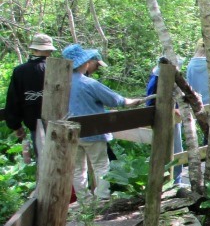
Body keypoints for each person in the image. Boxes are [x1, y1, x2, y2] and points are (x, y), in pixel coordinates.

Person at [64, 44, 143, 202]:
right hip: (93, 131)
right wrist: (133, 102)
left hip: (70, 132)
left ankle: (84, 200)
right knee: (101, 165)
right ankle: (102, 197)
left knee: (77, 169)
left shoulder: (60, 83)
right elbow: (116, 100)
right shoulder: (88, 83)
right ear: (85, 63)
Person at [4, 33, 56, 163]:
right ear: (50, 50)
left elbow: (13, 100)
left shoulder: (20, 71)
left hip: (35, 124)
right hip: (61, 122)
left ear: (33, 49)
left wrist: (16, 125)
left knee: (43, 161)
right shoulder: (57, 68)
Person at [145, 61, 183, 186]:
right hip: (164, 119)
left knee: (176, 150)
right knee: (172, 151)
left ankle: (175, 180)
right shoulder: (156, 79)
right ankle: (171, 182)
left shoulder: (166, 77)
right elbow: (151, 101)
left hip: (173, 117)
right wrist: (171, 109)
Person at [185, 39, 209, 146]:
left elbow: (189, 86)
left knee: (207, 131)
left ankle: (206, 156)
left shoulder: (190, 65)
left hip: (198, 103)